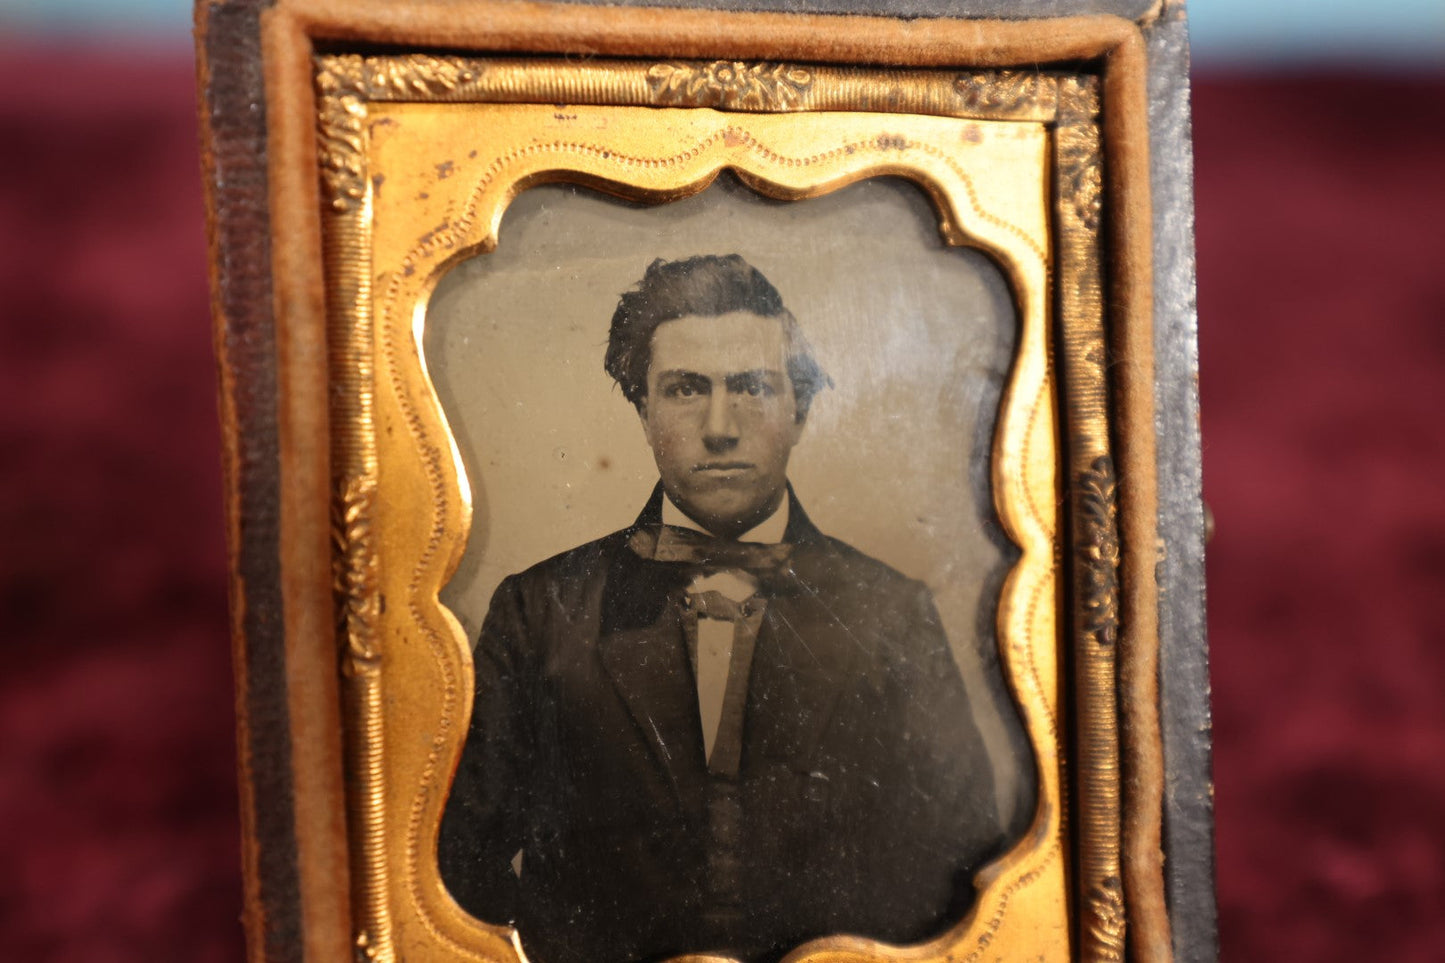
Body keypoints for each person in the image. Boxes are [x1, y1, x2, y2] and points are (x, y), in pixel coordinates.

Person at [438, 254, 1006, 963]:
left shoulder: (889, 611)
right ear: (641, 408)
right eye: (683, 389)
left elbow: (962, 862)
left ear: (798, 409)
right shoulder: (540, 608)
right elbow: (461, 868)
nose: (719, 426)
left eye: (751, 387)